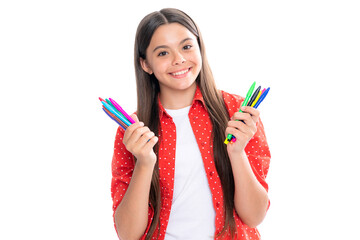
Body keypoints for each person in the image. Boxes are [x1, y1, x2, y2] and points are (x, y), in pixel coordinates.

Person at [111, 8, 271, 240]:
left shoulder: (238, 113)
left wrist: (237, 153)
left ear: (199, 48)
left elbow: (254, 216)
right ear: (146, 64)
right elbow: (128, 234)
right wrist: (144, 163)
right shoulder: (133, 130)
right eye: (163, 53)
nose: (179, 59)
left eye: (186, 46)